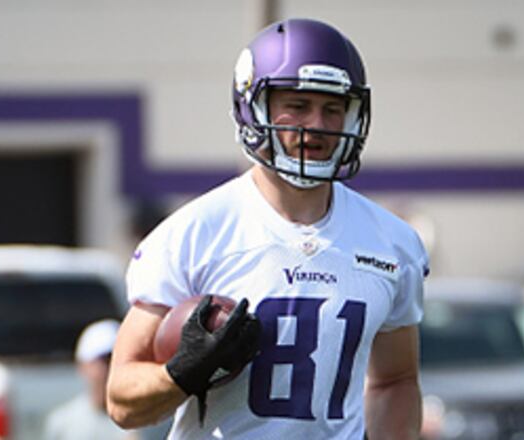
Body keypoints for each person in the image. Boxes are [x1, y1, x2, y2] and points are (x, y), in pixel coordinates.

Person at [106, 18, 429, 440]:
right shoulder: (193, 233)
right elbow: (121, 401)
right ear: (253, 107)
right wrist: (181, 373)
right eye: (298, 105)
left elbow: (395, 380)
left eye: (333, 109)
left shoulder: (392, 243)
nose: (317, 124)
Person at [44, 319, 137, 440]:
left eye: (116, 360)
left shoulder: (143, 420)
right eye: (105, 361)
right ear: (83, 366)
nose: (111, 368)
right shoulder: (63, 423)